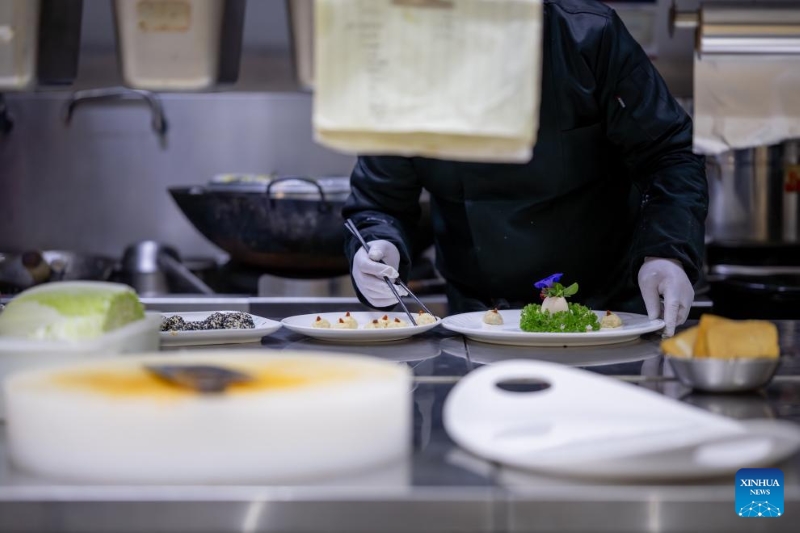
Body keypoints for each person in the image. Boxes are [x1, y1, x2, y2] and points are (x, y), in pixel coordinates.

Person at [342, 0, 707, 337]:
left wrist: (667, 252)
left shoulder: (588, 37)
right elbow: (380, 201)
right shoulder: (404, 61)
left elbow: (669, 154)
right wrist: (377, 246)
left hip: (609, 315)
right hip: (478, 321)